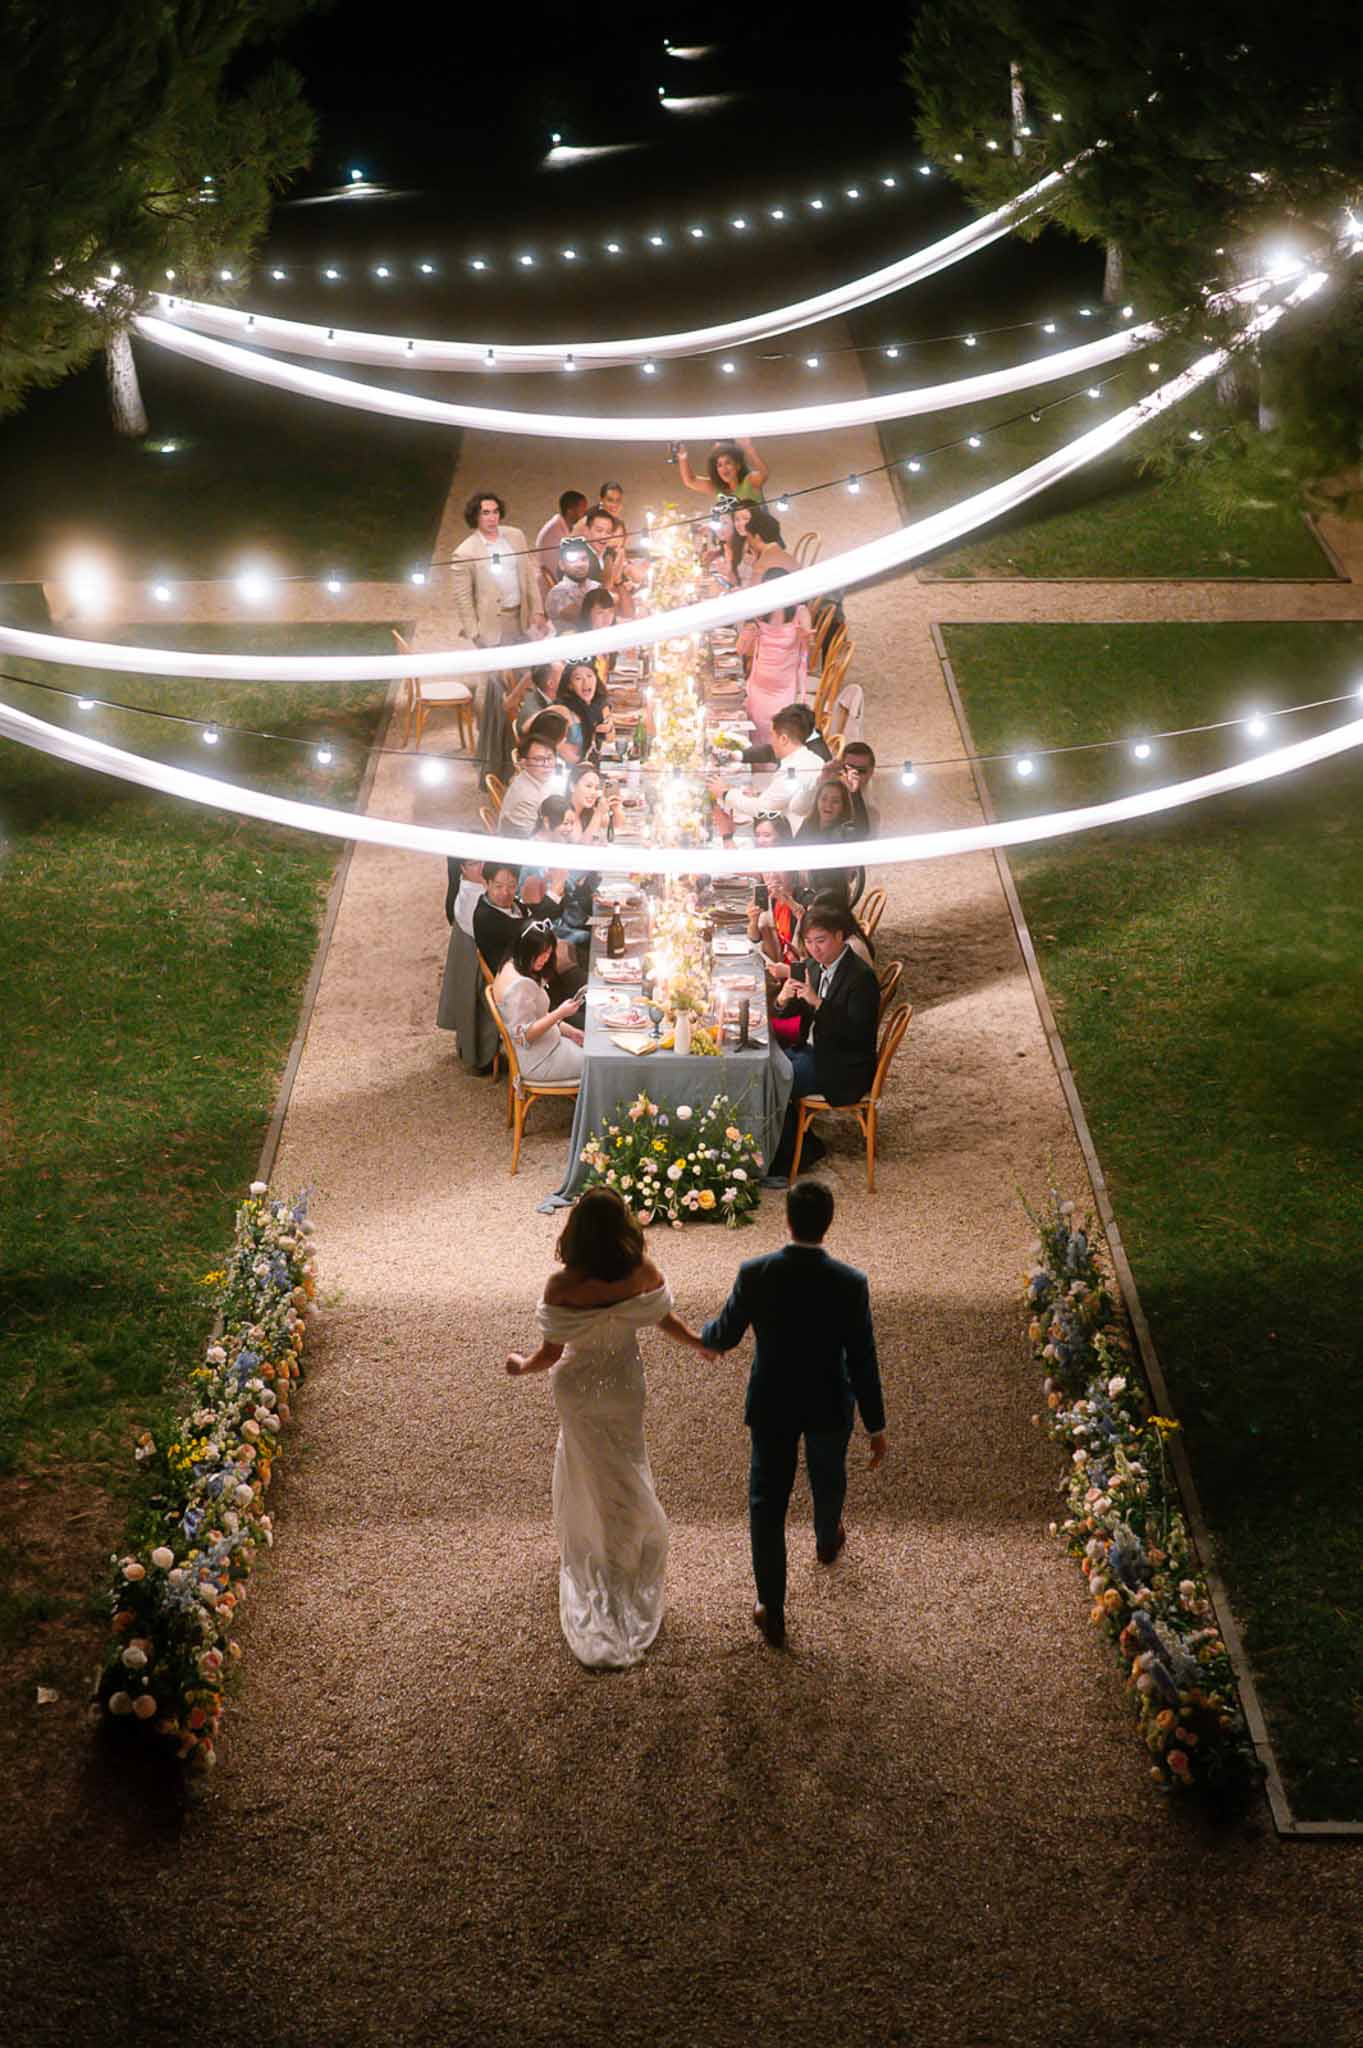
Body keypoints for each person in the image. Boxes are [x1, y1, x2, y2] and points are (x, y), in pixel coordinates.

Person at [505, 1187, 712, 1669]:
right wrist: (699, 1342)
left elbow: (549, 1356)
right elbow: (665, 1319)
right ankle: (627, 1544)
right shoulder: (642, 1273)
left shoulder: (561, 1287)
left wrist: (519, 1365)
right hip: (623, 1386)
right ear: (624, 1231)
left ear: (575, 1234)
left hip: (577, 1391)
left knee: (585, 1466)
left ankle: (589, 1543)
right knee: (625, 1465)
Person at [700, 1178, 887, 1649]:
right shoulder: (850, 1283)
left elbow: (724, 1333)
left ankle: (772, 1605)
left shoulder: (755, 1272)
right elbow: (863, 1357)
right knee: (828, 1475)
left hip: (773, 1400)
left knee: (767, 1502)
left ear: (786, 1220)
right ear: (828, 1224)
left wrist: (698, 1337)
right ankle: (827, 1537)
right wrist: (876, 1424)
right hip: (828, 1400)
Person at [767, 902, 880, 1181]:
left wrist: (818, 1002)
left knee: (772, 1081)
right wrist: (783, 998)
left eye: (821, 941)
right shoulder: (814, 966)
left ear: (840, 936)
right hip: (811, 1051)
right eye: (808, 942)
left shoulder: (861, 977)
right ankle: (803, 1144)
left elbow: (856, 1033)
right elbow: (791, 1009)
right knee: (764, 1066)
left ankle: (794, 1156)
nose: (815, 949)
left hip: (842, 1065)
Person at [451, 491, 547, 787]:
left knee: (528, 686)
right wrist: (477, 634)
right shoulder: (465, 552)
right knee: (499, 697)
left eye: (494, 512)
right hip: (494, 629)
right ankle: (496, 765)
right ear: (475, 517)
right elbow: (463, 598)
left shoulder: (515, 537)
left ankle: (526, 757)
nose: (491, 518)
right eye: (485, 513)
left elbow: (529, 577)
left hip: (520, 621)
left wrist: (539, 610)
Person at [491, 920, 586, 1081]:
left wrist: (569, 1030)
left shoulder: (511, 963)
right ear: (526, 950)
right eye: (541, 955)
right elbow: (524, 1037)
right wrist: (559, 1013)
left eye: (549, 954)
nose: (545, 959)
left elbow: (538, 1015)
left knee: (594, 1049)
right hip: (540, 1059)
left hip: (547, 1044)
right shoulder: (520, 986)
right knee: (599, 1062)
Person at [710, 704, 824, 835]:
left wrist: (725, 793)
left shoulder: (791, 772)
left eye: (772, 735)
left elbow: (761, 808)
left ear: (783, 739)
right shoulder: (811, 758)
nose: (771, 741)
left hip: (790, 837)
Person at [436, 859, 502, 1072]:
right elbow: (492, 934)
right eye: (474, 864)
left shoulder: (475, 888)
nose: (481, 867)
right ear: (462, 868)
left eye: (483, 861)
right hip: (481, 971)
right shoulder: (470, 897)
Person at [741, 568, 812, 745]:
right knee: (755, 738)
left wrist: (805, 639)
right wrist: (747, 636)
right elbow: (741, 650)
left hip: (784, 689)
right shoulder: (760, 612)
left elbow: (809, 645)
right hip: (759, 686)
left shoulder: (800, 612)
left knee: (780, 738)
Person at [499, 726, 563, 837]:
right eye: (538, 759)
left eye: (550, 757)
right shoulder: (526, 799)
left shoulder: (539, 777)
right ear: (523, 763)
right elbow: (534, 839)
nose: (546, 764)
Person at [472, 860, 531, 974]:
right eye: (498, 886)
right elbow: (528, 928)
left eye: (512, 886)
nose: (505, 892)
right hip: (515, 976)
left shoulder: (514, 904)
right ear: (486, 884)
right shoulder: (485, 918)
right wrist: (555, 891)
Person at [555, 660, 615, 764]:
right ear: (570, 685)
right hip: (569, 771)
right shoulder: (562, 710)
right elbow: (568, 756)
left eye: (589, 676)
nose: (586, 682)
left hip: (593, 766)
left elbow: (610, 739)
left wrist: (609, 729)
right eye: (578, 678)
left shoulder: (601, 705)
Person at [676, 437, 768, 503]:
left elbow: (764, 474)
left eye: (727, 463)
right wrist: (682, 456)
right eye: (719, 465)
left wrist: (748, 447)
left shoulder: (749, 481)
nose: (723, 468)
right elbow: (690, 481)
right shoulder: (718, 488)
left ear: (738, 465)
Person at [535, 490, 588, 594]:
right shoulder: (554, 532)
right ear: (570, 510)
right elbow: (553, 571)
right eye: (582, 508)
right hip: (552, 591)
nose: (585, 513)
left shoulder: (563, 528)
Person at [545, 538, 601, 630]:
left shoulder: (596, 586)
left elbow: (627, 613)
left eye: (584, 559)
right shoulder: (557, 592)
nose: (580, 565)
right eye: (573, 560)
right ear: (562, 565)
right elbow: (586, 620)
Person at [840, 741, 879, 836]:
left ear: (871, 772)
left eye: (860, 771)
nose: (853, 775)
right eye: (848, 769)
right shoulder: (826, 790)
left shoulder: (875, 803)